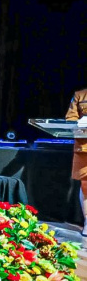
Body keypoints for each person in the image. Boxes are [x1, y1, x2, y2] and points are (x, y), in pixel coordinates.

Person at [66, 88, 87, 236]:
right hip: (84, 147)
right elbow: (70, 119)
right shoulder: (80, 95)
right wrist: (80, 125)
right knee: (85, 184)